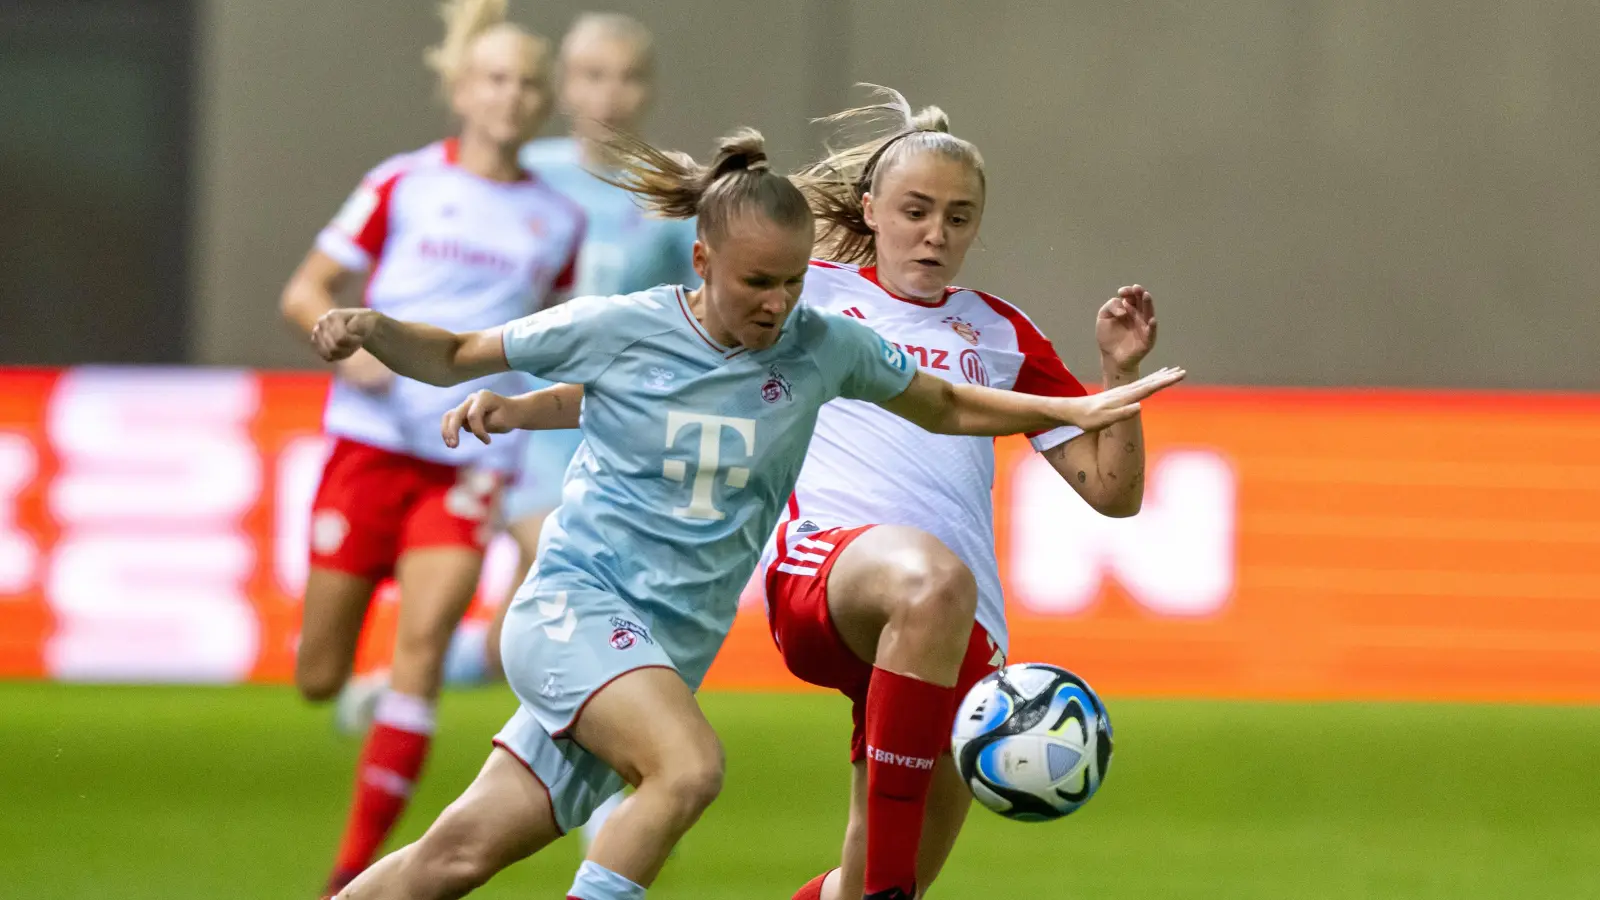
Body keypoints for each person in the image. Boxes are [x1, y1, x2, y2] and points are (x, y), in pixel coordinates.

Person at [309, 127, 1184, 900]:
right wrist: (376, 329)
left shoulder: (873, 338)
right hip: (658, 599)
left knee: (456, 855)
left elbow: (979, 425)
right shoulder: (717, 314)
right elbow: (495, 356)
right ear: (870, 209)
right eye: (917, 209)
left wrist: (1093, 397)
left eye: (960, 217)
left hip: (678, 645)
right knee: (695, 765)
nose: (776, 302)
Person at [276, 1, 582, 894]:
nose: (514, 97)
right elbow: (307, 290)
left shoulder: (556, 220)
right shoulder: (404, 183)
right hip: (368, 449)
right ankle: (350, 695)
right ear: (461, 88)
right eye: (496, 78)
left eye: (529, 83)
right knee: (317, 674)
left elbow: (546, 335)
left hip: (467, 459)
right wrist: (343, 345)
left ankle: (347, 879)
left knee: (422, 651)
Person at [443, 11, 698, 692]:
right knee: (549, 559)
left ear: (648, 89)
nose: (610, 94)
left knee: (555, 595)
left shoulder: (673, 191)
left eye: (627, 77)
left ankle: (443, 670)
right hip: (522, 412)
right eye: (592, 76)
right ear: (564, 85)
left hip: (619, 424)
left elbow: (706, 309)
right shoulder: (529, 175)